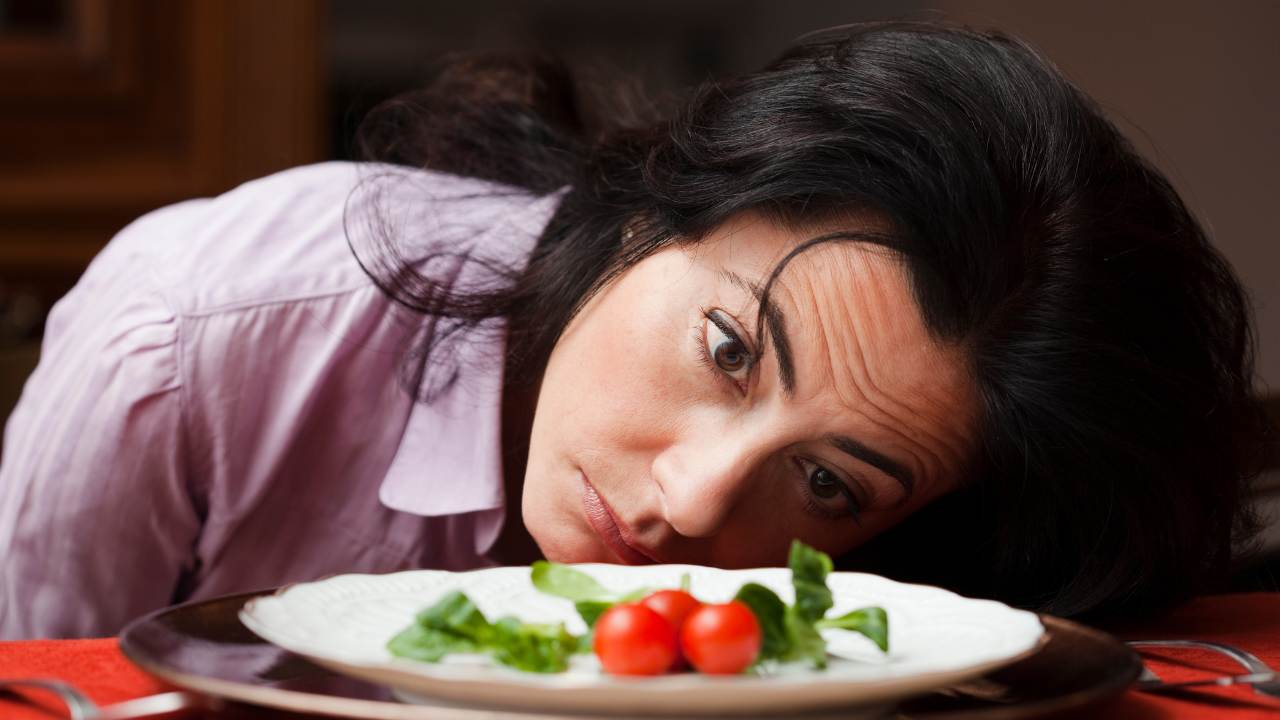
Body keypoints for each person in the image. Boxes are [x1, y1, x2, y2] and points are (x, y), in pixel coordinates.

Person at [0, 21, 1266, 639]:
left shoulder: (889, 597)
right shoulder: (185, 340)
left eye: (827, 479)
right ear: (645, 205)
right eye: (727, 349)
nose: (694, 502)